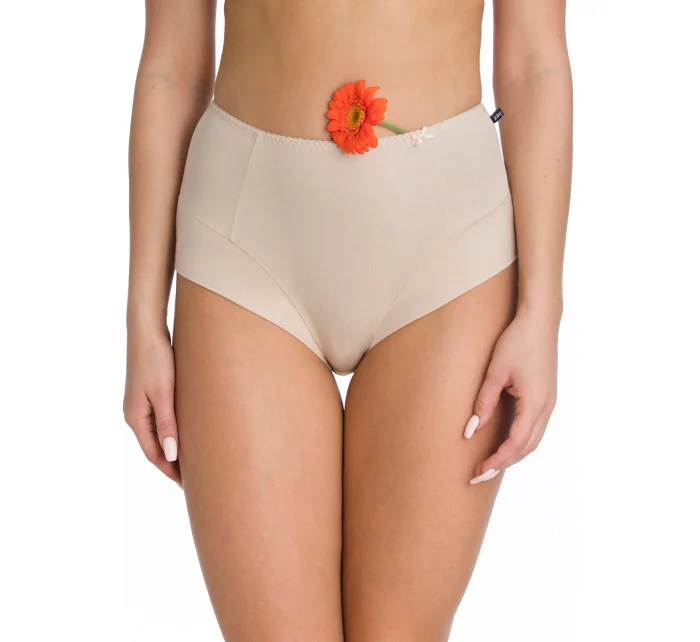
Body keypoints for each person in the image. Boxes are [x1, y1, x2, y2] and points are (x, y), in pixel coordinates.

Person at [123, 0, 572, 639]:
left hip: (451, 260)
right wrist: (143, 320)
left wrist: (543, 312)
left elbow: (535, 65)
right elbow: (171, 66)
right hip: (243, 252)